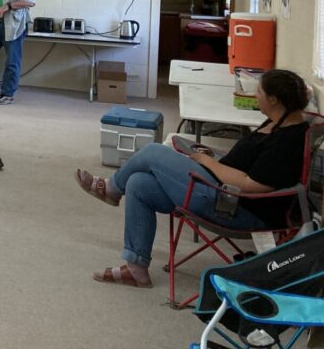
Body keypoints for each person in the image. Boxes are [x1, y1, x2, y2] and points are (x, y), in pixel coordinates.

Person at [75, 69, 311, 288]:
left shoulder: (287, 141)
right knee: (138, 183)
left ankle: (111, 189)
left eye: (259, 92)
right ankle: (136, 268)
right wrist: (210, 158)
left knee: (152, 152)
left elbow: (252, 185)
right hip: (217, 187)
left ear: (274, 100)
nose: (254, 95)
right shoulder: (278, 121)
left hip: (231, 206)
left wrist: (208, 163)